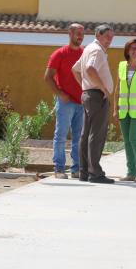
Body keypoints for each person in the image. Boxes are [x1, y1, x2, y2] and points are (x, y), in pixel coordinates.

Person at [72, 24, 115, 184]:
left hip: (89, 94)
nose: (109, 40)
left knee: (86, 134)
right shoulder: (96, 50)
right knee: (96, 135)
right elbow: (90, 69)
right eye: (107, 36)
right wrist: (101, 87)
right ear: (98, 35)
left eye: (111, 37)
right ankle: (95, 173)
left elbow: (75, 69)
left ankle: (84, 171)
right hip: (96, 96)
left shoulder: (88, 49)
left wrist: (85, 86)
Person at [44, 23, 85, 179]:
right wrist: (60, 94)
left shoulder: (85, 53)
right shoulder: (59, 54)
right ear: (70, 34)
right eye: (78, 33)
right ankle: (59, 169)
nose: (80, 36)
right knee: (61, 135)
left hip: (81, 102)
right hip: (65, 102)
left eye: (82, 34)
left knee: (79, 137)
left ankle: (76, 169)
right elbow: (47, 78)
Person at [113, 39, 136, 182]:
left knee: (134, 139)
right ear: (127, 51)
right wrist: (115, 108)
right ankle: (131, 173)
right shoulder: (122, 66)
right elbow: (117, 89)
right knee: (127, 141)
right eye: (132, 48)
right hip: (123, 110)